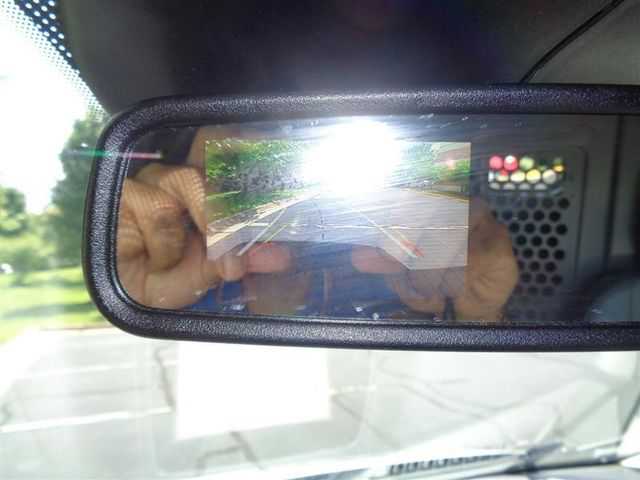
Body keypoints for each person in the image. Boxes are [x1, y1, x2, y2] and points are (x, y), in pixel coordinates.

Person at [117, 128, 519, 322]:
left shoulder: (391, 274)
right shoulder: (190, 294)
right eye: (259, 177)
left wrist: (477, 307)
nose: (293, 199)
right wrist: (136, 287)